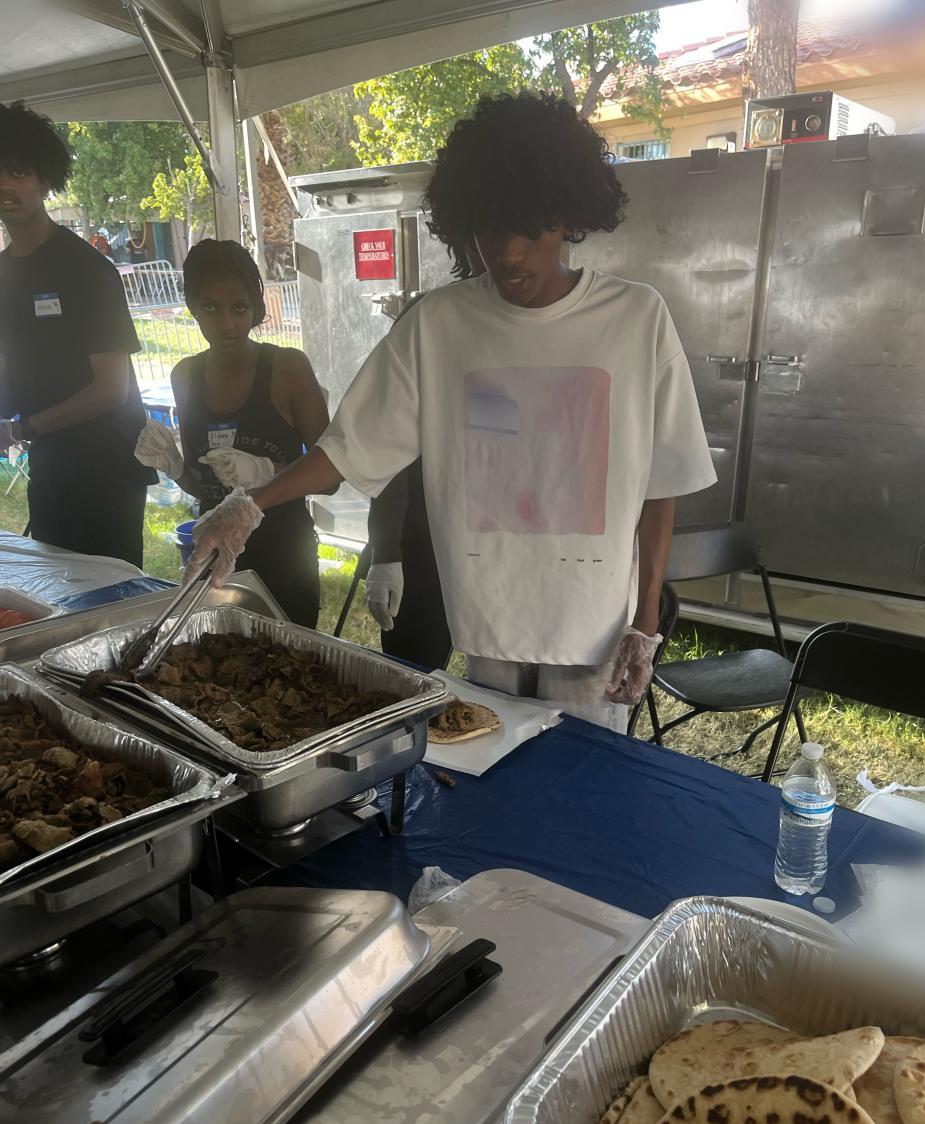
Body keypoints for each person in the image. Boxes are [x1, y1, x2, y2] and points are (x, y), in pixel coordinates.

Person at [188, 93, 716, 730]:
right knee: (491, 768)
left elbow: (661, 482)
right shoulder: (438, 326)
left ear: (570, 217)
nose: (510, 252)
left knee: (581, 783)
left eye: (532, 229)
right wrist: (249, 506)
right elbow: (348, 447)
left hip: (596, 631)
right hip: (490, 624)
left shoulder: (637, 319)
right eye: (490, 230)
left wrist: (646, 619)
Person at [135, 239, 328, 627]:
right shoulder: (185, 376)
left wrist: (265, 472)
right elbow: (205, 486)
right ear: (193, 307)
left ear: (255, 307)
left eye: (238, 308)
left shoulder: (286, 368)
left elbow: (332, 476)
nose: (226, 323)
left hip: (283, 555)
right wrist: (173, 467)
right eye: (211, 308)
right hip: (214, 553)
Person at [0, 101, 154, 566]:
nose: (5, 184)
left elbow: (111, 389)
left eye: (19, 172)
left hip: (107, 470)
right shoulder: (3, 273)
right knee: (54, 592)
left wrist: (23, 428)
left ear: (45, 181)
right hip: (51, 464)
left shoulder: (87, 269)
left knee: (113, 596)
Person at [364, 242, 483, 669]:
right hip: (424, 540)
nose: (509, 252)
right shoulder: (429, 321)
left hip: (510, 542)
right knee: (413, 671)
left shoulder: (555, 331)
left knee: (507, 692)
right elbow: (389, 442)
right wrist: (386, 550)